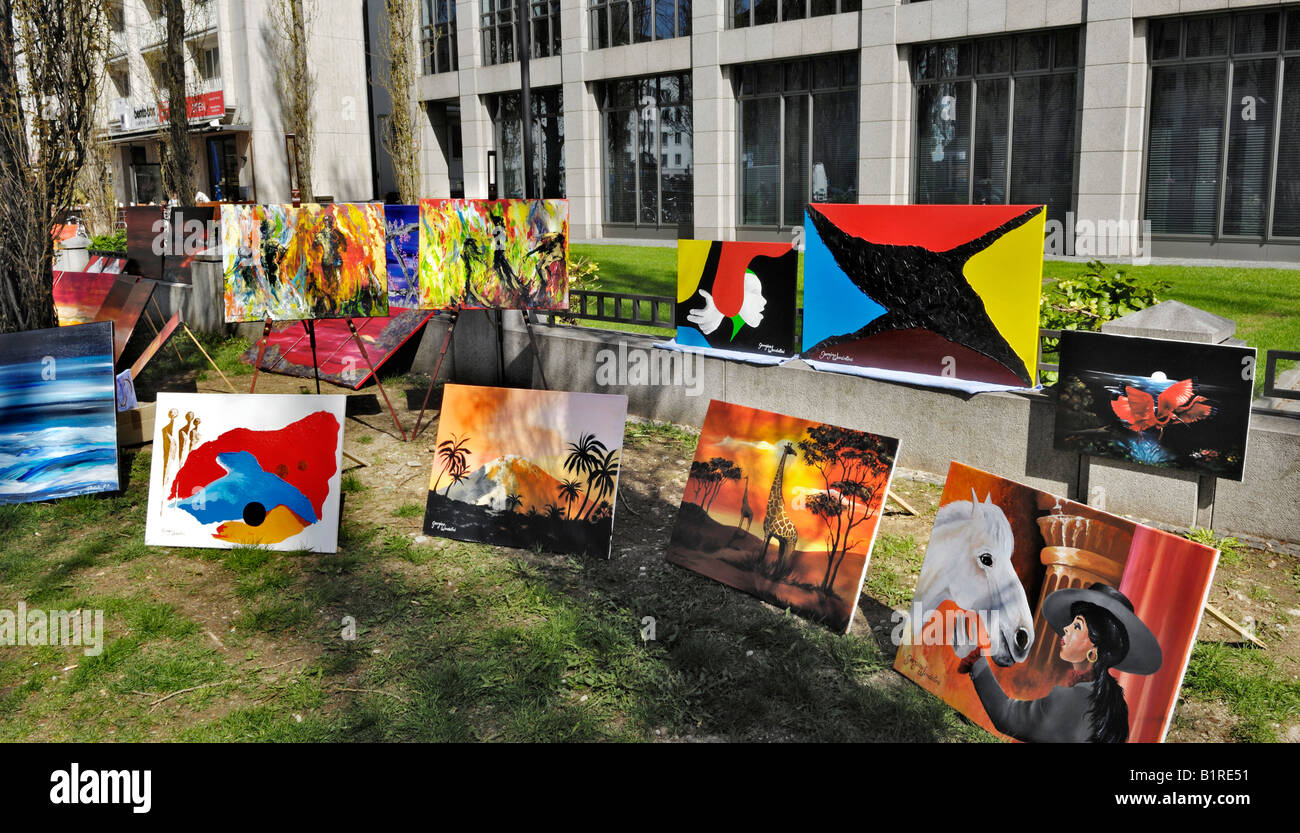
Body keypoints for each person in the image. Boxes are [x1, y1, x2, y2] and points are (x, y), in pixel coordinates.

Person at [953, 582, 1162, 743]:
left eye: (1078, 626)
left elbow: (1006, 716)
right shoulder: (1111, 702)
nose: (1067, 629)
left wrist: (977, 661)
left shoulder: (1071, 699)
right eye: (1072, 622)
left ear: (1094, 650)